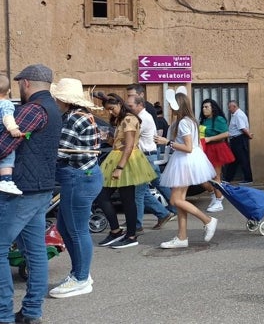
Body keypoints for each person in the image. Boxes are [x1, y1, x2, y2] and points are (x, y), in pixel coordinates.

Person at [0, 64, 62, 324]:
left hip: (22, 190)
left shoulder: (33, 110)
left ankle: (4, 314)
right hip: (41, 187)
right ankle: (31, 312)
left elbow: (4, 144)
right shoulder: (54, 109)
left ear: (26, 83)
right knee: (35, 251)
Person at [48, 78, 104, 299]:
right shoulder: (77, 115)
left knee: (77, 230)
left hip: (79, 177)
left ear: (63, 100)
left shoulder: (74, 119)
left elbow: (59, 152)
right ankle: (80, 274)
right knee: (65, 227)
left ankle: (81, 278)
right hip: (84, 176)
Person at [154, 89, 218, 248]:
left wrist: (166, 142)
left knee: (175, 200)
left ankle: (208, 220)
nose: (169, 108)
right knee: (180, 201)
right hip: (186, 161)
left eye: (171, 105)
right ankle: (182, 237)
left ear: (178, 105)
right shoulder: (189, 121)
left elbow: (188, 147)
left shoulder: (183, 122)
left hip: (185, 161)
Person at [94, 93, 156, 249]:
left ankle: (130, 235)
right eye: (107, 109)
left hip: (125, 160)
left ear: (120, 104)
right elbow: (119, 143)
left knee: (126, 199)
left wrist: (120, 167)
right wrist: (107, 138)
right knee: (106, 196)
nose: (110, 112)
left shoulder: (129, 119)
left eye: (112, 108)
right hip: (118, 157)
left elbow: (129, 146)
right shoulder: (123, 119)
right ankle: (118, 231)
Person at [126, 94, 176, 231]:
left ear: (140, 105)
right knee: (145, 190)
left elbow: (130, 136)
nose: (128, 109)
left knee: (141, 192)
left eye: (131, 106)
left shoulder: (143, 118)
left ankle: (137, 223)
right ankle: (164, 213)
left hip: (146, 157)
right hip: (145, 157)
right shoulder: (140, 117)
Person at [199, 99, 234, 212]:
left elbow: (226, 133)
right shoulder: (204, 121)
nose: (204, 109)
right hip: (205, 149)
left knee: (215, 176)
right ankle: (215, 195)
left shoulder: (218, 119)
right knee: (202, 177)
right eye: (203, 107)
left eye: (206, 107)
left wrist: (210, 139)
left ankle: (219, 201)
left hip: (216, 148)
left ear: (213, 108)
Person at [0, 75, 22, 194]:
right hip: (2, 135)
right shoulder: (6, 104)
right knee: (8, 156)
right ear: (8, 91)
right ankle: (6, 181)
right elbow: (7, 117)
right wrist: (13, 129)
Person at [223, 100, 254, 184]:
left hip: (239, 139)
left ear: (234, 106)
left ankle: (248, 179)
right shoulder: (236, 115)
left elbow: (242, 128)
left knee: (243, 159)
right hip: (236, 139)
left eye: (230, 107)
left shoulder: (238, 115)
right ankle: (227, 179)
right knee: (234, 160)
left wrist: (249, 135)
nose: (229, 109)